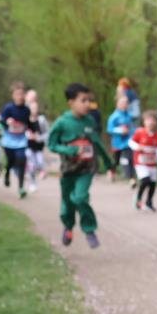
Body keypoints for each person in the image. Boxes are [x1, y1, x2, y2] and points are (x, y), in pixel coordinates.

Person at [47, 84, 115, 249]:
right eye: (83, 100)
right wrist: (69, 149)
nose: (87, 104)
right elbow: (52, 145)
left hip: (87, 168)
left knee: (80, 197)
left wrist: (109, 164)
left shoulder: (90, 121)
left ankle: (89, 229)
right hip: (69, 170)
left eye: (89, 101)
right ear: (71, 103)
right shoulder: (62, 123)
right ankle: (68, 227)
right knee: (67, 205)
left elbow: (97, 143)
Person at [129, 111, 157, 212]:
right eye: (148, 120)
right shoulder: (140, 132)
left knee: (153, 184)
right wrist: (137, 147)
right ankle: (138, 199)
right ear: (144, 122)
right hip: (140, 163)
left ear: (156, 122)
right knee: (145, 180)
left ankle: (149, 202)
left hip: (152, 163)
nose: (151, 122)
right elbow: (131, 142)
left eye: (153, 120)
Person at [0, 82, 31, 198]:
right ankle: (7, 173)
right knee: (11, 162)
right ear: (13, 95)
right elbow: (1, 122)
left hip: (21, 140)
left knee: (22, 161)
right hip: (9, 140)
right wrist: (7, 122)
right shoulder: (8, 108)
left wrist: (33, 128)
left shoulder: (26, 109)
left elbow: (28, 123)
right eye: (18, 94)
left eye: (22, 94)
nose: (20, 97)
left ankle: (21, 187)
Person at [107, 95, 136, 186]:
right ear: (117, 104)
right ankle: (112, 171)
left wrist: (134, 134)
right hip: (117, 143)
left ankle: (131, 178)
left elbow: (132, 128)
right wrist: (120, 130)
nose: (125, 105)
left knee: (129, 159)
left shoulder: (129, 116)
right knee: (116, 160)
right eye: (122, 103)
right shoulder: (114, 116)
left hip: (127, 143)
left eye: (126, 103)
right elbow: (110, 129)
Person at [25, 94, 49, 192]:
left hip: (38, 147)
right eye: (32, 108)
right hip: (28, 147)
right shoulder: (25, 120)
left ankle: (42, 171)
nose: (34, 110)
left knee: (40, 162)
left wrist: (38, 138)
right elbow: (21, 132)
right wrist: (28, 136)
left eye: (36, 108)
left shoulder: (41, 120)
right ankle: (32, 183)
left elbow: (47, 133)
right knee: (31, 165)